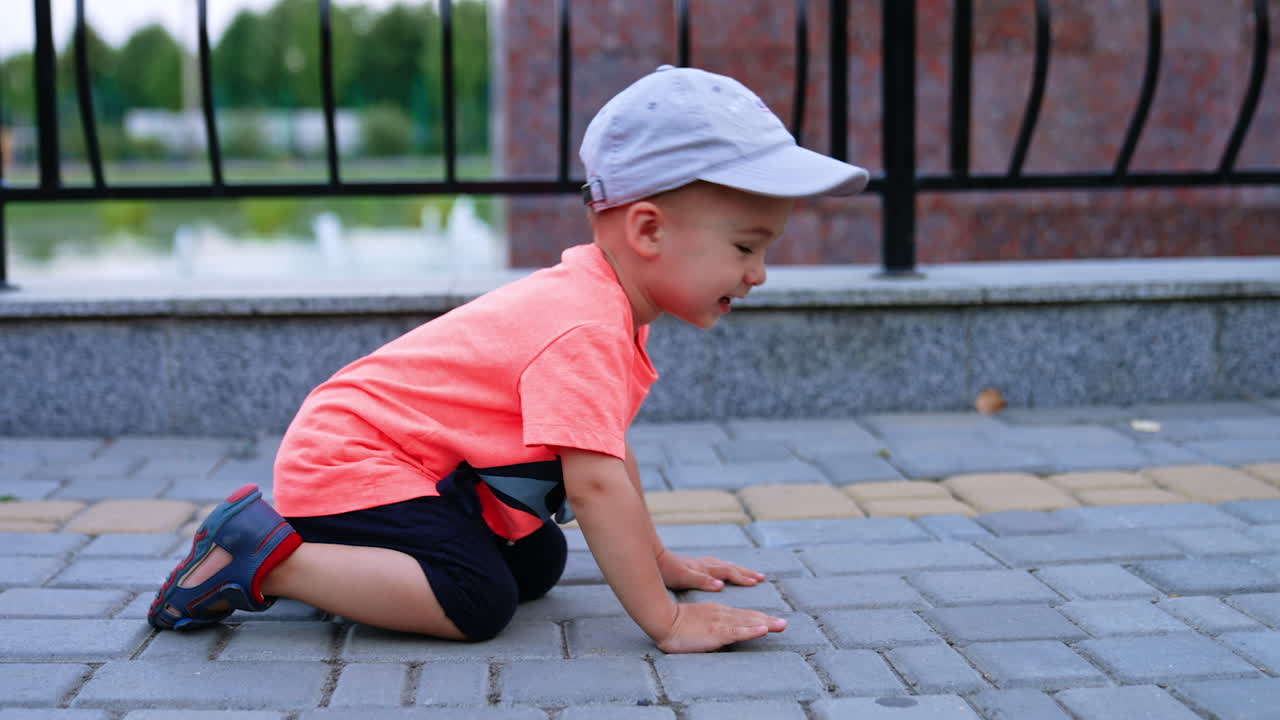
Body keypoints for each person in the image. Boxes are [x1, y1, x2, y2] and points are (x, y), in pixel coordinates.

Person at [148, 65, 869, 653]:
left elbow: (607, 459)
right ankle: (261, 556)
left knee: (536, 562)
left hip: (407, 471)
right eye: (747, 247)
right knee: (475, 601)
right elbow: (592, 490)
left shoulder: (605, 307)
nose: (760, 272)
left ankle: (336, 555)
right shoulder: (584, 325)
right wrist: (665, 618)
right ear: (647, 230)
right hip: (353, 465)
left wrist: (657, 561)